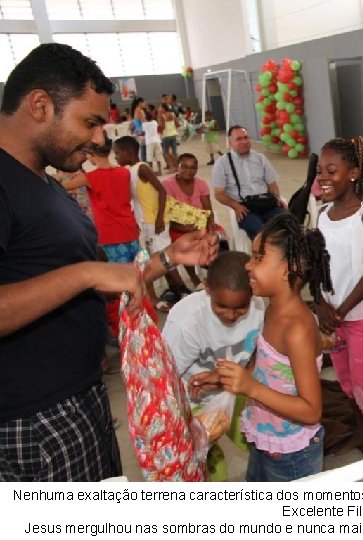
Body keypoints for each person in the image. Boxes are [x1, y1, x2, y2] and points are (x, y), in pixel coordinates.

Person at [0, 43, 219, 482]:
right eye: (91, 122)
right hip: (37, 420)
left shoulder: (39, 179)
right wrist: (86, 273)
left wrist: (164, 260)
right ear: (40, 105)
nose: (100, 138)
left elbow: (80, 277)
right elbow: (82, 276)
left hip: (78, 398)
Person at [189, 214, 333, 481]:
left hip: (292, 455)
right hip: (263, 438)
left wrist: (251, 388)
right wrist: (224, 379)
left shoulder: (297, 329)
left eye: (258, 258)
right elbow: (263, 360)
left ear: (286, 268)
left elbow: (312, 410)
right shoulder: (273, 308)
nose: (247, 266)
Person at [162, 251, 264, 480]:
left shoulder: (258, 307)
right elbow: (163, 378)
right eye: (222, 306)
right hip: (191, 403)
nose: (231, 315)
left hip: (235, 391)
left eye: (240, 308)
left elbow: (258, 353)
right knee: (208, 467)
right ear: (207, 288)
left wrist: (226, 379)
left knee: (261, 441)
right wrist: (185, 422)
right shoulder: (187, 323)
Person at [316, 136, 363, 455]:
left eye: (332, 170)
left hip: (357, 318)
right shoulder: (321, 216)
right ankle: (362, 427)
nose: (323, 177)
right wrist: (320, 304)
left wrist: (340, 310)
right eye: (320, 170)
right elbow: (317, 266)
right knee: (345, 380)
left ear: (354, 174)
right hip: (333, 320)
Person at [113, 135, 189, 311]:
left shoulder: (142, 169)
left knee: (164, 260)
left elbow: (162, 191)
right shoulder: (130, 171)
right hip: (146, 223)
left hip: (154, 222)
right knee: (158, 260)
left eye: (117, 153)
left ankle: (184, 292)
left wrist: (159, 218)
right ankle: (176, 290)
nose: (115, 157)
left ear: (128, 152)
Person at [62, 136, 140, 263]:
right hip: (131, 231)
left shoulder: (89, 178)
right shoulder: (125, 172)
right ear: (110, 151)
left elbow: (61, 187)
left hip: (109, 236)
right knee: (142, 271)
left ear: (89, 154)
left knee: (119, 277)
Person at [212, 125, 285, 239]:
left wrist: (277, 197)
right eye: (239, 139)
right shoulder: (222, 163)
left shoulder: (260, 158)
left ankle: (287, 254)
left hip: (265, 201)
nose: (244, 142)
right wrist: (235, 206)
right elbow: (219, 193)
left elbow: (272, 184)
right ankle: (264, 255)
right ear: (230, 142)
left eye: (246, 138)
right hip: (244, 208)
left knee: (288, 223)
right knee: (260, 231)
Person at [163, 152, 219, 289]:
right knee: (184, 243)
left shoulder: (201, 184)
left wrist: (210, 229)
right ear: (177, 167)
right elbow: (169, 215)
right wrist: (187, 229)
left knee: (217, 240)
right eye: (184, 167)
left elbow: (208, 210)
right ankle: (195, 279)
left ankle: (214, 275)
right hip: (177, 227)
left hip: (200, 225)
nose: (189, 171)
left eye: (193, 167)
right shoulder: (167, 185)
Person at [159, 103, 179, 173]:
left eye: (160, 107)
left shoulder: (162, 116)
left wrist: (159, 126)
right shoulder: (173, 114)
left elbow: (163, 127)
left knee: (166, 153)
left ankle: (171, 168)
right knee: (174, 152)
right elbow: (177, 124)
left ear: (164, 108)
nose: (159, 109)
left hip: (166, 135)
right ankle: (177, 167)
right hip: (173, 134)